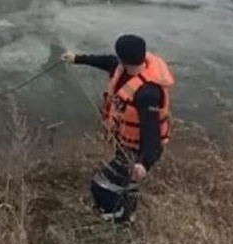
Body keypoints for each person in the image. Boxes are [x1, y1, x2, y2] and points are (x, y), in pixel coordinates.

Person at [61, 34, 175, 224]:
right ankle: (128, 213)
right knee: (127, 183)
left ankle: (116, 219)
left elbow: (152, 133)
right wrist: (76, 59)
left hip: (139, 151)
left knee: (100, 185)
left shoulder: (147, 93)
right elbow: (106, 61)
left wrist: (144, 163)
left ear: (124, 58)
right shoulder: (124, 67)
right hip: (126, 143)